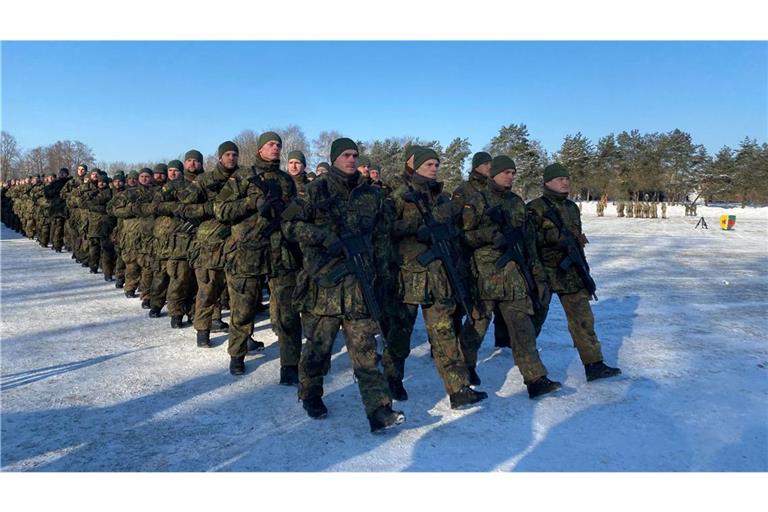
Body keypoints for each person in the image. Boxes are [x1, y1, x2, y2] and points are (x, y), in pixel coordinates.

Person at [284, 137, 405, 432]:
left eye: (355, 155)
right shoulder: (314, 191)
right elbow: (289, 226)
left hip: (359, 285)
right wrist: (322, 236)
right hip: (323, 285)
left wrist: (383, 277)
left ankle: (379, 410)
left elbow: (382, 239)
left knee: (366, 350)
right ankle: (310, 393)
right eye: (346, 155)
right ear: (335, 158)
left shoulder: (371, 196)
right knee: (317, 349)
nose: (351, 160)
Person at [386, 146, 488, 407]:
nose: (434, 168)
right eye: (429, 164)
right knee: (400, 332)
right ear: (416, 166)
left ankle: (459, 388)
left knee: (444, 334)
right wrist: (415, 228)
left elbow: (456, 232)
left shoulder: (443, 200)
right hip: (408, 277)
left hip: (438, 277)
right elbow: (384, 230)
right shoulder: (400, 196)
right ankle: (391, 379)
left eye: (436, 164)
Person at [457, 156, 562, 398]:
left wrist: (538, 277)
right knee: (476, 326)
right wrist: (488, 235)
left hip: (514, 278)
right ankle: (465, 369)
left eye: (513, 173)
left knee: (522, 327)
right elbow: (462, 237)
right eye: (505, 172)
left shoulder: (517, 203)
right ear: (492, 173)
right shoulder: (477, 200)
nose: (510, 177)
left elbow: (529, 244)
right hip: (484, 276)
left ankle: (535, 378)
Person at [527, 163, 622, 382]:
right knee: (534, 319)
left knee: (583, 320)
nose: (565, 182)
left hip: (570, 271)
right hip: (544, 271)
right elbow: (528, 243)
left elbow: (575, 240)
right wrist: (551, 241)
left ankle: (594, 364)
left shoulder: (571, 207)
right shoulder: (535, 208)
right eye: (560, 179)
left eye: (567, 178)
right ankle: (527, 362)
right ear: (547, 182)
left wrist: (583, 267)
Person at [452, 151, 512, 353]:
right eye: (485, 163)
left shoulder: (494, 188)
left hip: (495, 256)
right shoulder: (464, 190)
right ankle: (456, 344)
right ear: (476, 166)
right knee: (467, 304)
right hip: (469, 254)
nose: (489, 167)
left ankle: (502, 340)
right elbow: (460, 224)